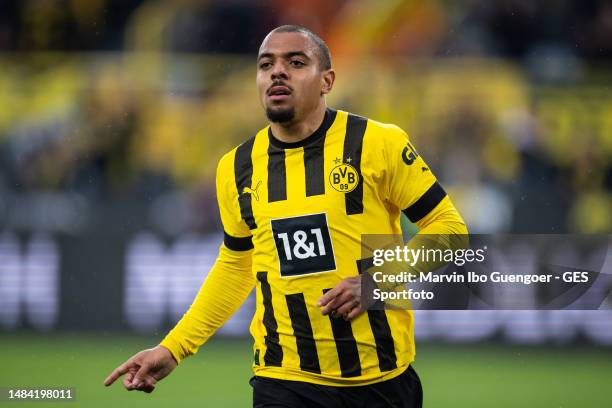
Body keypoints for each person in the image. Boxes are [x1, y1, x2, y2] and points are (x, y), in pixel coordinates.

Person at [103, 24, 467, 408]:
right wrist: (174, 347)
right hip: (283, 379)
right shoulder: (237, 168)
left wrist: (375, 282)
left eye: (295, 62)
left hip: (382, 378)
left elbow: (450, 229)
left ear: (327, 80)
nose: (277, 71)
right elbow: (236, 264)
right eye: (266, 64)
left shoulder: (377, 143)